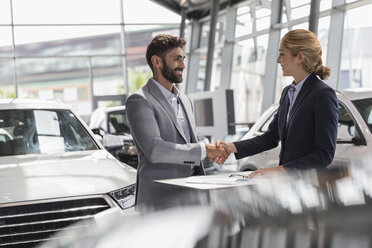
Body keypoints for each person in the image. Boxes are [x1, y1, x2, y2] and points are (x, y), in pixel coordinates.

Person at [126, 34, 229, 211]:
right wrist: (205, 150)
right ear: (157, 62)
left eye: (183, 59)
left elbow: (189, 144)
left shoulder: (186, 100)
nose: (182, 65)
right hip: (160, 202)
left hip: (193, 198)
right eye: (176, 59)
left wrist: (209, 153)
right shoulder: (139, 100)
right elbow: (155, 150)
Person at [219, 29, 338, 178]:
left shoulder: (322, 94)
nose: (277, 60)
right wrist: (230, 147)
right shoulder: (288, 93)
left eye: (282, 54)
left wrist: (281, 170)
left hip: (309, 187)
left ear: (300, 57)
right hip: (289, 187)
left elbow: (324, 155)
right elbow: (271, 137)